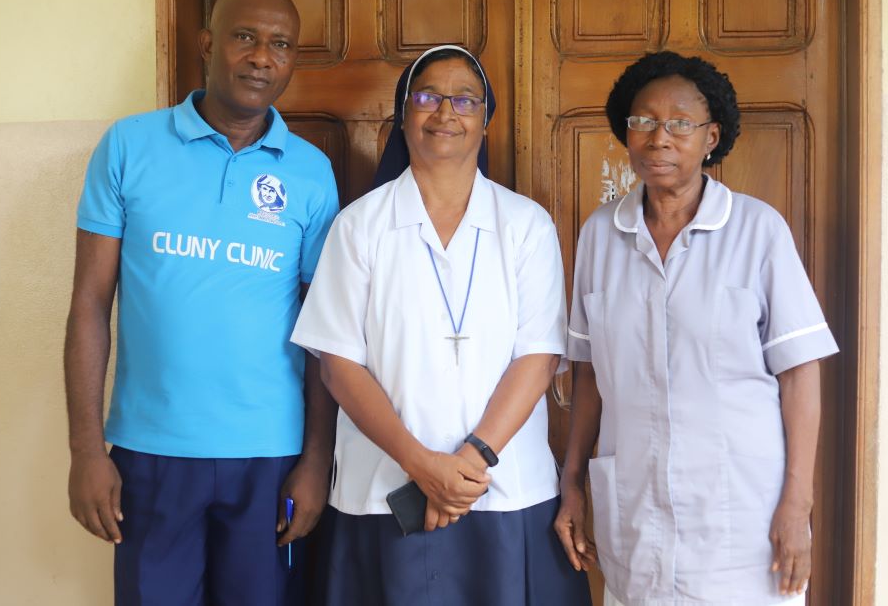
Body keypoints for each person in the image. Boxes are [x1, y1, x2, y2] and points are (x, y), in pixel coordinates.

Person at [64, 0, 340, 605]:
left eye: (281, 45)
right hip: (150, 454)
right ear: (207, 44)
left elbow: (325, 330)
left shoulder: (309, 171)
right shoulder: (129, 147)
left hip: (270, 458)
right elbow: (88, 304)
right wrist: (86, 451)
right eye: (245, 38)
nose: (262, 58)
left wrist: (316, 461)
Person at [290, 45, 591, 606]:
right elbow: (337, 364)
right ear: (403, 115)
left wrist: (469, 461)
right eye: (427, 97)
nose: (445, 112)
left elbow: (539, 355)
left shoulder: (526, 224)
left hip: (502, 490)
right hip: (385, 487)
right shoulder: (360, 225)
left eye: (464, 100)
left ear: (485, 119)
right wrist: (420, 464)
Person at [553, 51, 839, 605]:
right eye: (643, 121)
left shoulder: (757, 231)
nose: (659, 137)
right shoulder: (599, 235)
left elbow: (800, 373)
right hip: (635, 520)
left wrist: (797, 505)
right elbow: (589, 377)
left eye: (680, 124)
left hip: (741, 524)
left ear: (711, 137)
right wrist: (571, 483)